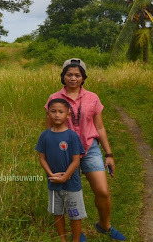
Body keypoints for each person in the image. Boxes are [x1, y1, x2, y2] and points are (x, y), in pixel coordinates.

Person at [46, 59, 126, 241]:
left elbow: (100, 127)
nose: (73, 78)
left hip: (90, 149)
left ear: (83, 77)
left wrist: (109, 154)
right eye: (69, 74)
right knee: (67, 193)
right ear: (63, 76)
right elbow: (49, 129)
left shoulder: (93, 98)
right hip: (64, 152)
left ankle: (104, 225)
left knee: (103, 191)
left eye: (77, 75)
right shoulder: (54, 98)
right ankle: (75, 231)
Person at [37, 98, 87, 242]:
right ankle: (62, 239)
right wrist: (51, 174)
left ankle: (76, 239)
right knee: (57, 213)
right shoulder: (44, 136)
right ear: (48, 114)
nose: (57, 115)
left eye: (61, 112)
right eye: (53, 111)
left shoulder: (72, 136)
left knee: (74, 214)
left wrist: (65, 176)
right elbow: (42, 158)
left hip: (72, 184)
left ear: (68, 115)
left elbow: (76, 160)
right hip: (53, 183)